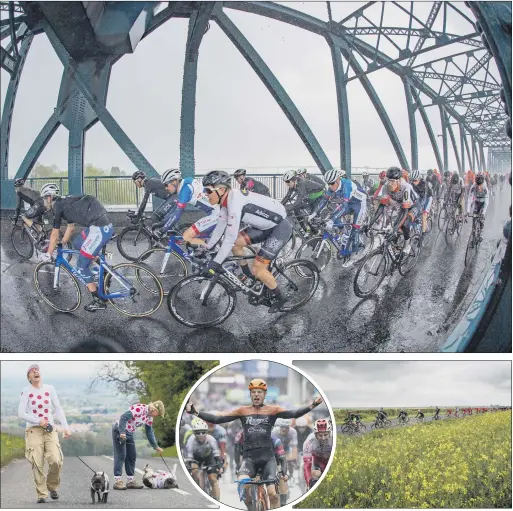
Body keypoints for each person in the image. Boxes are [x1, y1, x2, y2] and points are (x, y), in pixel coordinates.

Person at [185, 378, 323, 510]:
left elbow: (294, 413)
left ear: (264, 394)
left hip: (268, 459)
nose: (256, 394)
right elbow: (218, 418)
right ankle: (251, 507)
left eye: (259, 392)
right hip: (249, 459)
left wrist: (313, 405)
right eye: (253, 392)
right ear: (250, 394)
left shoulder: (272, 410)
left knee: (273, 495)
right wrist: (196, 412)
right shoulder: (242, 411)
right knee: (243, 486)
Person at [199, 171, 293, 313]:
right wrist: (207, 246)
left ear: (221, 189)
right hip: (263, 227)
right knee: (237, 243)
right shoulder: (225, 202)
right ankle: (247, 276)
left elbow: (228, 238)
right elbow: (220, 227)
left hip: (279, 228)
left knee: (258, 268)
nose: (205, 194)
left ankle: (280, 298)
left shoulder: (234, 201)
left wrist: (215, 263)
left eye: (207, 190)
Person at [39, 184, 115, 312]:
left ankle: (98, 300)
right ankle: (104, 269)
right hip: (100, 224)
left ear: (49, 197)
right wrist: (63, 243)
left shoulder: (57, 207)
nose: (44, 202)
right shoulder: (65, 202)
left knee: (81, 266)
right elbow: (70, 227)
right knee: (78, 243)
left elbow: (54, 233)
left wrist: (48, 253)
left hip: (99, 229)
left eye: (44, 199)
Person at [18, 364, 71, 504]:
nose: (35, 371)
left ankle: (52, 486)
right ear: (29, 377)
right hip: (33, 430)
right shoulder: (26, 391)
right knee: (37, 462)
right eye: (31, 371)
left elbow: (58, 408)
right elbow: (21, 413)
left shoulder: (50, 389)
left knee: (56, 460)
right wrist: (38, 421)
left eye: (37, 370)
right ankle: (42, 494)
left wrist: (66, 427)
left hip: (50, 429)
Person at [308, 168, 367, 267]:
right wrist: (314, 213)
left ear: (338, 179)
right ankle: (344, 232)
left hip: (359, 204)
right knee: (332, 215)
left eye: (332, 183)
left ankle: (354, 255)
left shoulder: (347, 185)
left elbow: (344, 206)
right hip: (349, 203)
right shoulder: (331, 186)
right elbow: (324, 201)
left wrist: (331, 221)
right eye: (328, 184)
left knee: (355, 229)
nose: (330, 186)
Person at [152, 168, 219, 245]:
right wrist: (162, 223)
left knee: (192, 240)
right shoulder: (185, 183)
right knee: (198, 242)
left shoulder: (185, 190)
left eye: (166, 185)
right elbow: (175, 210)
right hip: (215, 213)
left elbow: (177, 215)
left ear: (174, 181)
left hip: (216, 215)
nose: (166, 188)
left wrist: (162, 231)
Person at [365, 166, 421, 257]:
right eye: (389, 180)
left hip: (412, 206)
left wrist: (395, 229)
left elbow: (405, 211)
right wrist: (370, 224)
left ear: (399, 180)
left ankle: (407, 245)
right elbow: (381, 208)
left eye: (393, 181)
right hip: (401, 205)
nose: (390, 183)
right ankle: (396, 248)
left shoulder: (406, 187)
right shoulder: (386, 186)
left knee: (404, 224)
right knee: (393, 227)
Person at [112, 401, 165, 490]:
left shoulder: (149, 417)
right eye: (158, 413)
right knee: (121, 455)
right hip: (119, 430)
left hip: (130, 432)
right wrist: (122, 432)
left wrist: (156, 447)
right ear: (154, 409)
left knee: (132, 456)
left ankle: (130, 481)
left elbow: (149, 432)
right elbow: (123, 417)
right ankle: (118, 481)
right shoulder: (139, 409)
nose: (157, 415)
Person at [234, 431, 289, 506]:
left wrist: (284, 473)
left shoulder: (274, 439)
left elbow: (282, 459)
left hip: (272, 461)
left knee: (278, 481)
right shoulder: (242, 435)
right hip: (252, 462)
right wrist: (238, 466)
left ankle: (283, 500)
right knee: (249, 483)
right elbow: (237, 452)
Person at [183, 419, 223, 501]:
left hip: (209, 457)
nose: (201, 435)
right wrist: (188, 466)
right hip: (196, 458)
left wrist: (220, 465)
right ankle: (197, 488)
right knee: (194, 471)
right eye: (198, 433)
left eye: (203, 432)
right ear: (194, 433)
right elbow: (189, 456)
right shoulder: (191, 440)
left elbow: (216, 454)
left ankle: (217, 500)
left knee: (213, 479)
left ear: (207, 432)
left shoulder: (211, 439)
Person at [281, 170, 325, 235]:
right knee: (296, 208)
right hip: (311, 197)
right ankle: (305, 229)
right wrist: (279, 206)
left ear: (294, 180)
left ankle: (317, 233)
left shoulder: (302, 182)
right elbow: (287, 196)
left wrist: (289, 209)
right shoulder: (293, 184)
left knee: (311, 216)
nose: (287, 184)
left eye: (288, 181)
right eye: (285, 182)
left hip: (319, 197)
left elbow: (299, 199)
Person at [302, 418, 333, 490]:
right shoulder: (309, 441)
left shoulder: (333, 438)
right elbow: (307, 466)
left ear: (329, 433)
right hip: (317, 461)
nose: (323, 438)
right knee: (315, 475)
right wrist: (309, 483)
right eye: (320, 435)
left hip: (329, 460)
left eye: (325, 434)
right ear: (315, 434)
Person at [409, 169, 433, 233]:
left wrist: (420, 207)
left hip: (427, 197)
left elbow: (424, 198)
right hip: (419, 196)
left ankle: (423, 234)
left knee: (423, 215)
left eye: (415, 180)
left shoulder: (424, 184)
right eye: (412, 180)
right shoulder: (411, 184)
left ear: (419, 179)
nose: (414, 182)